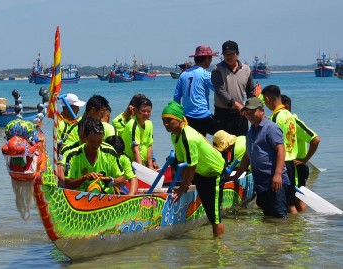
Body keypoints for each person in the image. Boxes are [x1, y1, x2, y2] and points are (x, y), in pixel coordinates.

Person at [161, 101, 226, 237]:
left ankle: (218, 251)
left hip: (214, 172)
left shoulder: (188, 138)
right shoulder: (174, 135)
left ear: (179, 120)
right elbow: (182, 162)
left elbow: (191, 166)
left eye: (169, 120)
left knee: (214, 217)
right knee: (209, 211)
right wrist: (186, 185)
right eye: (163, 120)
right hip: (200, 172)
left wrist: (182, 188)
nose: (166, 124)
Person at [230, 97, 290, 218]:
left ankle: (285, 236)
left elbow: (281, 150)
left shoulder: (271, 128)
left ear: (262, 111)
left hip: (274, 181)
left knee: (279, 217)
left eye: (253, 112)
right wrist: (236, 175)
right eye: (247, 113)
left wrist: (278, 174)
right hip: (260, 182)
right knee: (267, 216)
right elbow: (247, 156)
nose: (250, 116)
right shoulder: (250, 131)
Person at [59, 117, 126, 194]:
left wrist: (111, 181)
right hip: (80, 197)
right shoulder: (73, 155)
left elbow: (123, 179)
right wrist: (85, 178)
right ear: (85, 138)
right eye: (92, 141)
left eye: (99, 141)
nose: (95, 145)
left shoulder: (110, 152)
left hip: (106, 197)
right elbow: (67, 184)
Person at [261, 85, 298, 214]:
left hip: (282, 164)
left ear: (267, 98)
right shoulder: (289, 114)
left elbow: (274, 143)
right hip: (291, 161)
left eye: (265, 102)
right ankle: (295, 228)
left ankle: (289, 231)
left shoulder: (276, 117)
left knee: (286, 203)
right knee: (290, 201)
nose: (265, 105)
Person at [281, 94, 321, 212]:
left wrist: (305, 160)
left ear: (286, 107)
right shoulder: (286, 121)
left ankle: (299, 223)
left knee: (297, 199)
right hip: (294, 165)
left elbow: (315, 140)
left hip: (297, 165)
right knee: (297, 197)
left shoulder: (294, 121)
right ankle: (301, 222)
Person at [211, 40, 255, 136]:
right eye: (226, 54)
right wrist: (237, 105)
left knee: (242, 144)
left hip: (241, 113)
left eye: (231, 54)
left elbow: (250, 91)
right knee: (222, 147)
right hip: (222, 113)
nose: (228, 56)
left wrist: (253, 108)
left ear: (237, 54)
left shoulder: (246, 69)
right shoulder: (217, 70)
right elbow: (220, 91)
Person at [173, 45, 218, 136]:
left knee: (193, 144)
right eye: (211, 59)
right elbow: (218, 90)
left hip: (187, 117)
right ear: (206, 59)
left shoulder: (183, 75)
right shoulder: (206, 74)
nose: (211, 61)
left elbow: (176, 97)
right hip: (204, 116)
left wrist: (178, 116)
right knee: (222, 137)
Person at [122, 97, 158, 169]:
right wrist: (142, 170)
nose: (146, 113)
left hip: (142, 163)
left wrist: (150, 167)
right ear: (136, 110)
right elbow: (136, 150)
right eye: (143, 111)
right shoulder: (132, 126)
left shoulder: (149, 123)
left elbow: (149, 146)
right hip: (130, 164)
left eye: (149, 111)